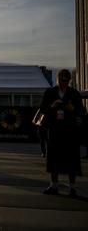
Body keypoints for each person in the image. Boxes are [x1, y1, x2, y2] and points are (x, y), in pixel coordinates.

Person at [40, 69, 84, 197]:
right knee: (53, 157)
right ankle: (54, 185)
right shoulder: (50, 92)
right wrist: (53, 106)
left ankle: (72, 187)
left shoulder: (74, 93)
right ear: (57, 79)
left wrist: (73, 109)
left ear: (69, 80)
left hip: (70, 130)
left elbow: (81, 111)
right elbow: (43, 109)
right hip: (55, 129)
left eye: (65, 80)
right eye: (61, 80)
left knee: (72, 158)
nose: (63, 83)